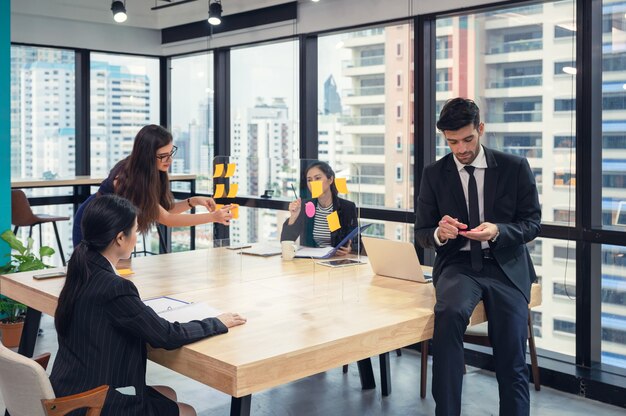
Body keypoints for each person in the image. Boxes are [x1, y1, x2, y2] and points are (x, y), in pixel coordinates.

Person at [51, 195, 247, 416]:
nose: (138, 236)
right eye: (135, 231)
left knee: (168, 393)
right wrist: (217, 322)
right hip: (93, 403)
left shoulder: (82, 269)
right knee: (188, 411)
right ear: (119, 238)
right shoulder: (115, 288)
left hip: (67, 389)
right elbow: (166, 335)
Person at [415, 98, 541, 416]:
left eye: (467, 139)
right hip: (458, 266)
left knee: (512, 354)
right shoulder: (434, 174)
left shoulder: (514, 168)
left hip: (506, 267)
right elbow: (422, 231)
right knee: (448, 316)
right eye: (451, 142)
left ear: (480, 129)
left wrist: (497, 231)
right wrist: (439, 233)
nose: (460, 149)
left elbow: (532, 224)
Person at [72, 124, 232, 246]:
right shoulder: (131, 179)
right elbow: (167, 219)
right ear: (147, 156)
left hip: (116, 227)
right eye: (163, 156)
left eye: (171, 153)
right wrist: (213, 217)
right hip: (92, 221)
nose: (169, 160)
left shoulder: (153, 172)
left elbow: (165, 209)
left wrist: (194, 201)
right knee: (100, 276)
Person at [281, 161, 357, 255]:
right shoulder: (306, 206)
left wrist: (350, 248)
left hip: (336, 260)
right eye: (309, 180)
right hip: (310, 261)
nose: (313, 183)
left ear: (330, 180)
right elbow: (286, 241)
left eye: (317, 178)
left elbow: (357, 242)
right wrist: (293, 216)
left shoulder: (347, 207)